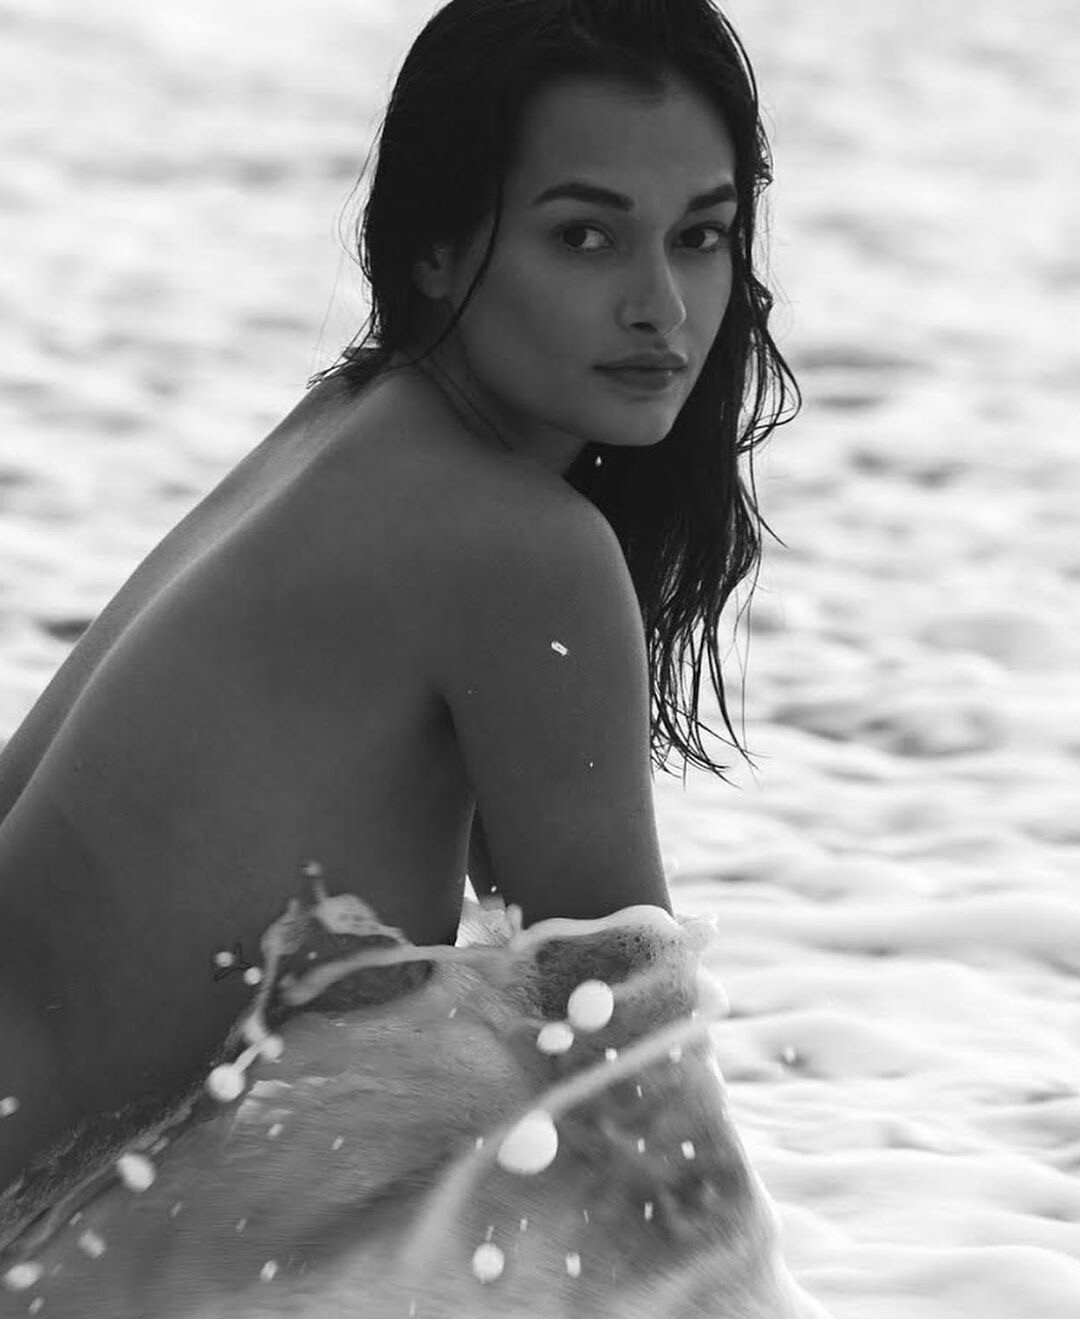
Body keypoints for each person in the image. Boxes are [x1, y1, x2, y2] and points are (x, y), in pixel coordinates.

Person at [0, 0, 798, 1222]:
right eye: (585, 236)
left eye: (701, 236)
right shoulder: (519, 547)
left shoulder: (353, 432)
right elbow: (644, 1108)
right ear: (433, 248)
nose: (664, 306)